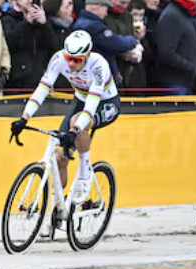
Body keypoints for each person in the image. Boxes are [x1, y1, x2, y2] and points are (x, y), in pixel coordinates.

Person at [9, 30, 121, 205]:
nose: (70, 64)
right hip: (81, 100)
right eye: (68, 57)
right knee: (60, 157)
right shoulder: (58, 59)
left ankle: (85, 174)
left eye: (76, 60)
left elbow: (91, 105)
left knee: (77, 123)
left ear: (87, 55)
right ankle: (58, 206)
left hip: (105, 103)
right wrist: (24, 117)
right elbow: (42, 89)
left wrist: (75, 131)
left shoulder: (99, 65)